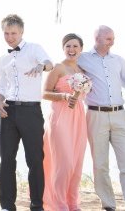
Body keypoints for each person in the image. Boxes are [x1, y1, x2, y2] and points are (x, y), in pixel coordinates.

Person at [77, 26, 125, 211]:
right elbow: (68, 72)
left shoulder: (118, 60)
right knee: (100, 165)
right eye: (108, 38)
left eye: (113, 38)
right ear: (97, 38)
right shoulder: (82, 58)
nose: (112, 42)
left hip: (119, 115)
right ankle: (108, 205)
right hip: (95, 115)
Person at [0, 14, 52, 211]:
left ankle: (37, 205)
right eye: (6, 33)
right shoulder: (3, 58)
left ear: (21, 32)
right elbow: (1, 84)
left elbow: (49, 63)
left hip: (31, 112)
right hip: (8, 112)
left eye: (13, 33)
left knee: (35, 159)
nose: (10, 37)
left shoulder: (34, 48)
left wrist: (41, 66)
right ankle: (7, 206)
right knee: (7, 159)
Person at [41, 33, 89, 211]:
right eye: (68, 46)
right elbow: (44, 93)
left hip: (78, 120)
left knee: (76, 163)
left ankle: (72, 203)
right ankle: (59, 203)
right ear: (63, 48)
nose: (72, 49)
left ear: (81, 49)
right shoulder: (58, 68)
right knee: (65, 163)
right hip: (60, 119)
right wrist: (63, 96)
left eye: (75, 46)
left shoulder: (82, 72)